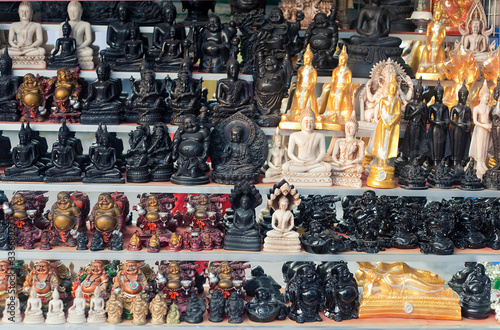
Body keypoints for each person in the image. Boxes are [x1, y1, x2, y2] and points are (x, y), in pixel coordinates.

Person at [283, 107, 332, 173]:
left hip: (314, 162)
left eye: (311, 122)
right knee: (285, 167)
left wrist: (316, 161)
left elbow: (322, 152)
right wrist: (299, 161)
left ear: (314, 122)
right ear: (300, 121)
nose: (308, 124)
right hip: (299, 163)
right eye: (306, 121)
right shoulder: (294, 136)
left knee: (328, 167)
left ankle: (305, 170)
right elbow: (290, 153)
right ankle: (308, 169)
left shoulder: (319, 136)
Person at [469, 81, 492, 177]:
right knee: (479, 146)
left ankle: (483, 163)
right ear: (481, 97)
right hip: (479, 129)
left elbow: (491, 118)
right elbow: (475, 122)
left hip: (487, 129)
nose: (487, 99)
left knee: (485, 147)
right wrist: (484, 126)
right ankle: (478, 164)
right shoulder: (476, 108)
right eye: (486, 97)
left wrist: (490, 125)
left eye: (488, 97)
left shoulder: (490, 108)